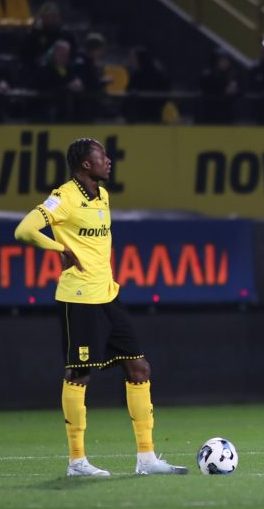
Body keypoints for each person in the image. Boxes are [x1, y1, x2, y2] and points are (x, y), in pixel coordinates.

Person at [13, 138, 187, 476]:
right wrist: (60, 249)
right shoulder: (64, 197)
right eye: (101, 156)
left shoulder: (102, 195)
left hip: (108, 295)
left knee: (139, 368)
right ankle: (77, 461)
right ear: (85, 164)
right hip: (79, 299)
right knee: (79, 375)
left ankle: (147, 458)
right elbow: (24, 230)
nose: (108, 160)